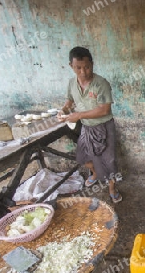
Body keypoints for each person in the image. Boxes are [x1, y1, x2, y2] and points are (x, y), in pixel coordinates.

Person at [58, 46, 122, 203]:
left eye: (87, 67)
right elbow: (70, 100)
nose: (83, 72)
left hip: (104, 127)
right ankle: (94, 173)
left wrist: (78, 115)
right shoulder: (72, 83)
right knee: (83, 158)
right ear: (71, 66)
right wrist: (64, 110)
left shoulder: (101, 84)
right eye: (78, 68)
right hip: (86, 127)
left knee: (109, 162)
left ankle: (112, 189)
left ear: (92, 64)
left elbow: (105, 110)